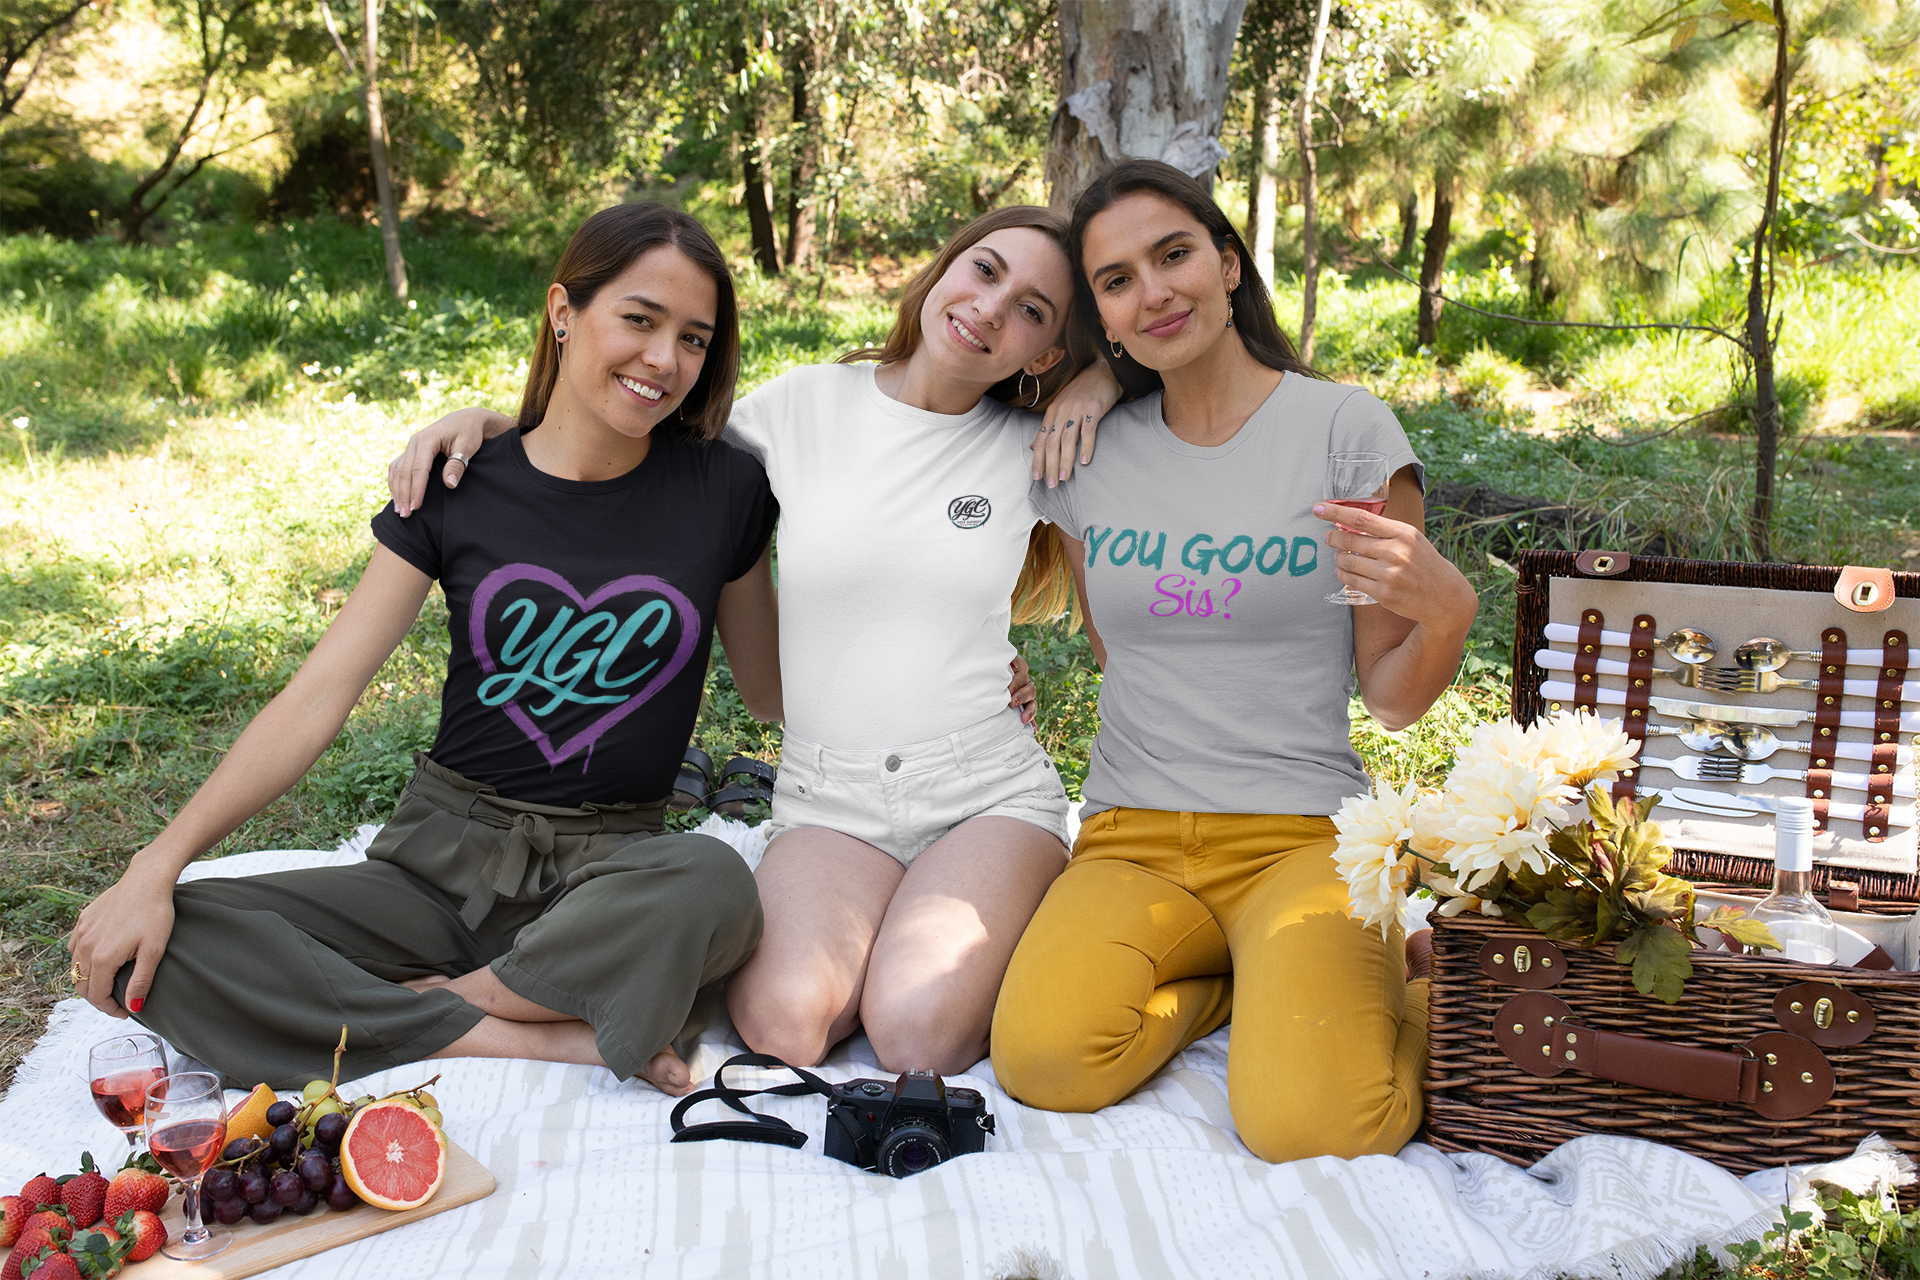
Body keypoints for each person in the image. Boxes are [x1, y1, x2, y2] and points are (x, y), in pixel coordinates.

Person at [386, 206, 1125, 1077]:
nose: (993, 307)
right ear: (945, 269)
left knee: (916, 1033)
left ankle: (967, 916)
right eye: (987, 270)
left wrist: (1101, 383)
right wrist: (491, 421)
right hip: (830, 797)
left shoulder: (1046, 448)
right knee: (781, 1026)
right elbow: (637, 433)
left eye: (1035, 310)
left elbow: (1163, 419)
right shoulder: (801, 407)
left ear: (1045, 353)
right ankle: (898, 925)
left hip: (983, 788)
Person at [66, 203, 781, 1096]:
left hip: (613, 872)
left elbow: (771, 692)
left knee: (712, 881)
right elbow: (319, 694)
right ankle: (532, 1032)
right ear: (564, 312)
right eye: (639, 319)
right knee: (175, 938)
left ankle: (429, 1007)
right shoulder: (458, 483)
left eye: (694, 339)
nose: (664, 360)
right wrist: (154, 865)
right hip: (438, 867)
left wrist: (968, 665)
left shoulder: (727, 488)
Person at [988, 160, 1479, 1163]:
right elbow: (1107, 642)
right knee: (1045, 1058)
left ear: (1226, 260)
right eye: (1117, 280)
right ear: (1102, 318)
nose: (1155, 289)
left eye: (1173, 255)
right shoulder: (1089, 452)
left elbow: (1389, 697)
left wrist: (1450, 615)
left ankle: (1419, 990)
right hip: (1130, 833)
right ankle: (1238, 984)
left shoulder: (1344, 431)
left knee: (1314, 1124)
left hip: (1303, 838)